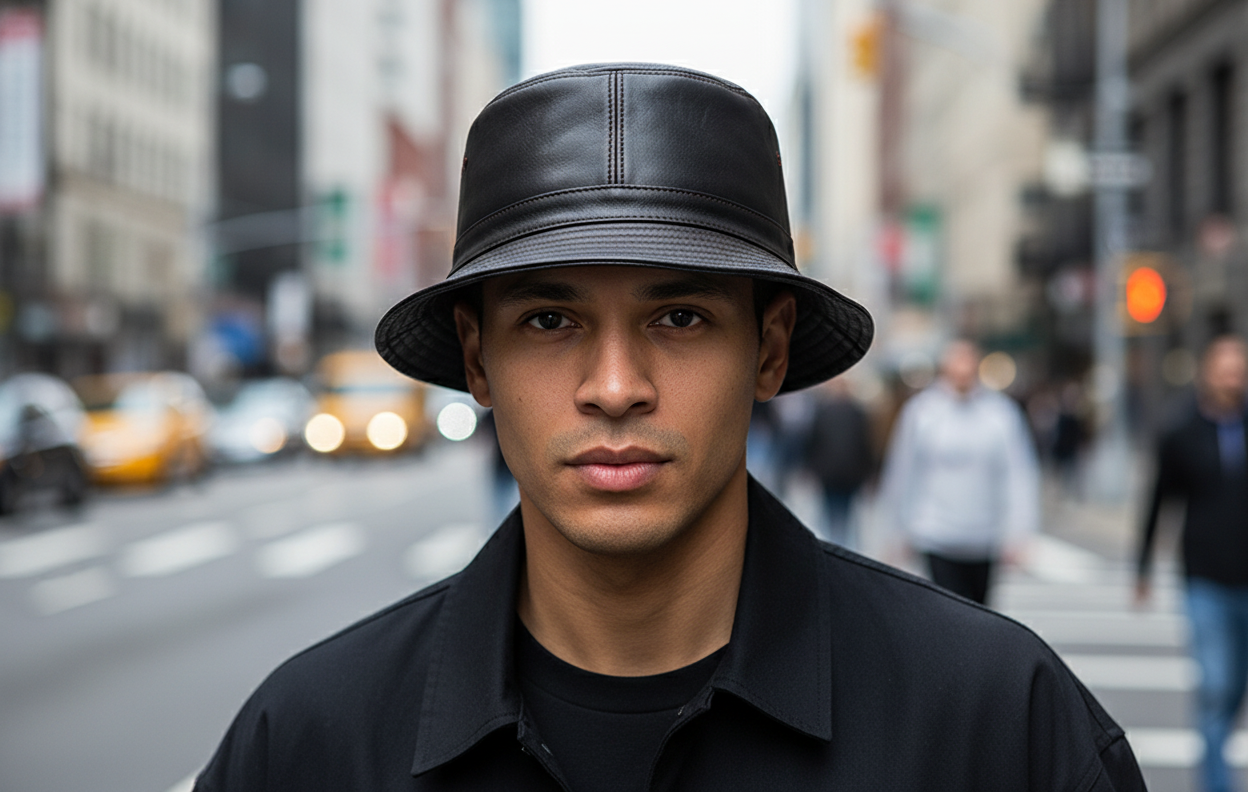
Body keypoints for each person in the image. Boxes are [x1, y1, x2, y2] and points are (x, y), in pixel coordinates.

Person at [195, 63, 1142, 791]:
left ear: (769, 351)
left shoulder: (996, 726)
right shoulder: (311, 741)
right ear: (477, 360)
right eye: (549, 321)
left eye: (679, 318)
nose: (615, 387)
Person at [1136, 335, 1248, 792]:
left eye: (1239, 369)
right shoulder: (1181, 433)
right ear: (1207, 372)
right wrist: (1141, 566)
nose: (1232, 377)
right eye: (1224, 367)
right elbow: (1158, 501)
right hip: (1204, 578)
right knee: (1216, 688)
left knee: (1236, 687)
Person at [880, 339, 1041, 605]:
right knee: (946, 613)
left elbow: (1018, 474)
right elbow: (902, 472)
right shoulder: (922, 413)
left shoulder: (1000, 414)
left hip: (984, 536)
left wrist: (1020, 532)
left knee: (979, 613)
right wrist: (896, 531)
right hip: (935, 534)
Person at [804, 378, 873, 546]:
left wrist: (811, 468)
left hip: (829, 472)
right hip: (850, 473)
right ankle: (841, 545)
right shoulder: (858, 413)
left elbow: (813, 441)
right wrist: (869, 473)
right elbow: (865, 445)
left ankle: (832, 545)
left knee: (830, 511)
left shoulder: (823, 411)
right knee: (846, 512)